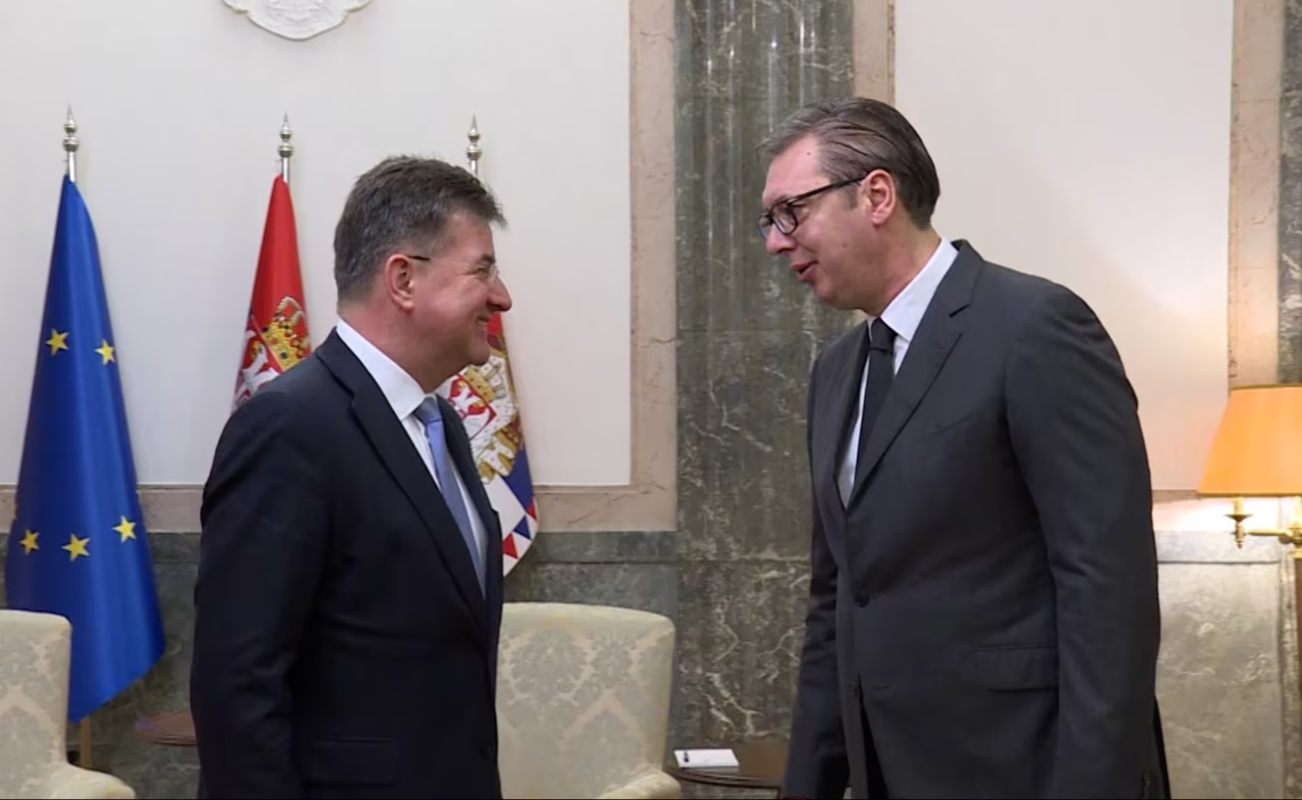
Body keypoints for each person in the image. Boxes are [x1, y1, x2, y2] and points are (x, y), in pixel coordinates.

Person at [761, 97, 1169, 799]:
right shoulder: (835, 373)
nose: (776, 241)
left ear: (877, 196)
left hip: (1023, 769)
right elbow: (837, 605)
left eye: (790, 212)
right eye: (770, 220)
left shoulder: (1036, 328)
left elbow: (1108, 591)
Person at [190, 155, 512, 799]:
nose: (501, 296)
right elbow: (238, 685)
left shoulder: (441, 424)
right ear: (403, 279)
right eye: (482, 271)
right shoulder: (290, 427)